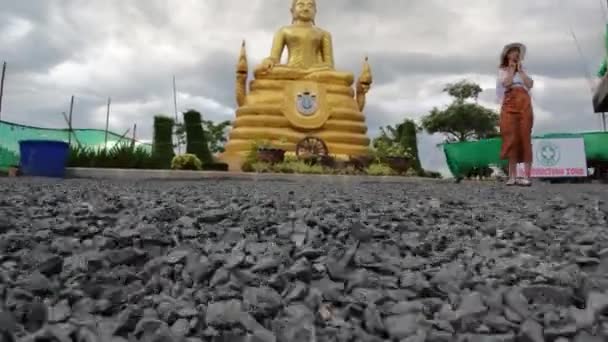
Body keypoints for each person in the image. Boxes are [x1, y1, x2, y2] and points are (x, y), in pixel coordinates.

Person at [496, 42, 534, 186]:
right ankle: (512, 176)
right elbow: (506, 83)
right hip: (509, 101)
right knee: (511, 137)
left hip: (524, 101)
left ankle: (527, 177)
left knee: (525, 136)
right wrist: (511, 69)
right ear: (507, 55)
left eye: (517, 52)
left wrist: (521, 71)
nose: (515, 54)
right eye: (512, 51)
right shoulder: (503, 70)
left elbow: (529, 84)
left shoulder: (524, 70)